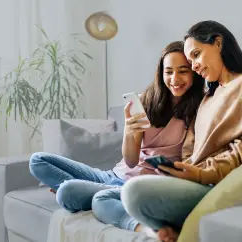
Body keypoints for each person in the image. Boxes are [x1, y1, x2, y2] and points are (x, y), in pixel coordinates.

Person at [29, 41, 205, 233]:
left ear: (194, 73)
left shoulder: (200, 109)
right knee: (37, 161)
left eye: (183, 71)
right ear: (161, 73)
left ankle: (95, 193)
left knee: (66, 192)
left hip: (140, 186)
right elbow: (130, 161)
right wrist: (129, 131)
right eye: (168, 71)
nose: (175, 78)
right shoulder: (145, 101)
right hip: (113, 176)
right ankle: (95, 189)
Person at [121, 20, 242, 242]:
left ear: (218, 43)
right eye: (190, 60)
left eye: (196, 55)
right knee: (115, 193)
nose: (193, 66)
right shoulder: (209, 97)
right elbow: (191, 150)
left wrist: (200, 174)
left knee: (133, 193)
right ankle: (170, 228)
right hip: (192, 181)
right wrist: (179, 169)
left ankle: (165, 227)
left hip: (213, 185)